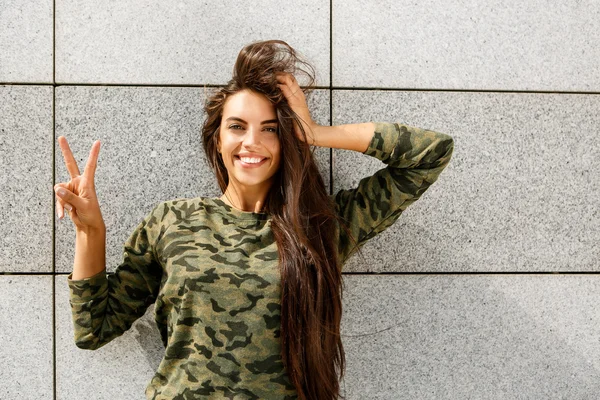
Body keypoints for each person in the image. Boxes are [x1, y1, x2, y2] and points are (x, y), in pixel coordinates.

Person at [55, 40, 454, 400]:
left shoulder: (321, 227)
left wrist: (315, 132)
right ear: (217, 138)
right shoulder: (172, 220)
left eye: (270, 129)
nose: (252, 142)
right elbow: (94, 328)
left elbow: (430, 153)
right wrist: (91, 231)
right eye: (237, 127)